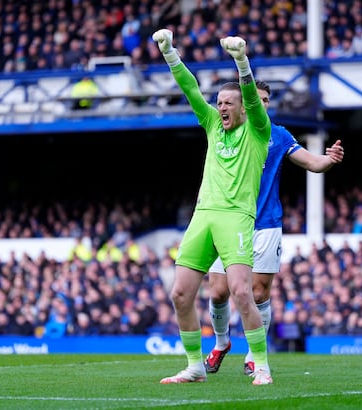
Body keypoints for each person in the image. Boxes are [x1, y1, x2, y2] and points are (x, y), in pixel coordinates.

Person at [152, 28, 273, 385]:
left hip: (236, 216)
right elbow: (189, 88)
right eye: (218, 101)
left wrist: (241, 61)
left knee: (240, 292)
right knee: (180, 293)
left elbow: (252, 98)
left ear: (241, 108)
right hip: (203, 215)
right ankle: (194, 366)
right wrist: (169, 52)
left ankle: (261, 366)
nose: (220, 106)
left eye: (227, 102)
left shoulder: (257, 130)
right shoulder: (211, 125)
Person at [204, 81, 344, 376]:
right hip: (228, 220)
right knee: (217, 292)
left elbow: (312, 163)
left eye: (266, 99)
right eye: (258, 99)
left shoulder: (277, 136)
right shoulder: (226, 131)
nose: (263, 104)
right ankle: (221, 343)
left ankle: (255, 354)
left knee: (258, 293)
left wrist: (328, 160)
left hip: (265, 224)